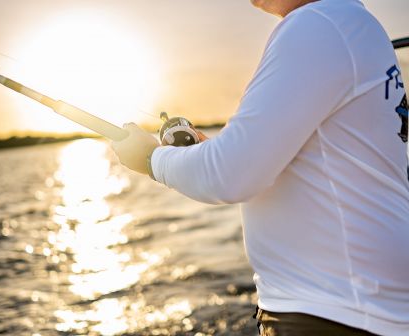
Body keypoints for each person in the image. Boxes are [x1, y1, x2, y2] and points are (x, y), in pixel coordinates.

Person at [111, 0, 409, 335]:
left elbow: (229, 174)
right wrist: (215, 150)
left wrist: (150, 159)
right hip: (359, 310)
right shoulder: (352, 24)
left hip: (333, 315)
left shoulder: (317, 23)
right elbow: (311, 160)